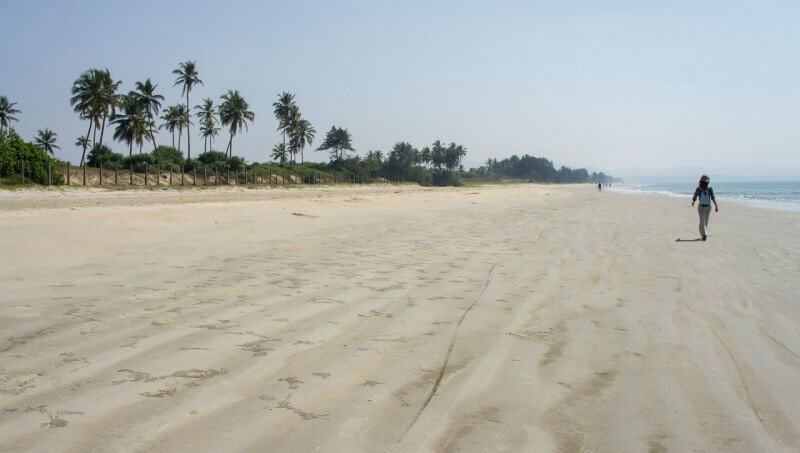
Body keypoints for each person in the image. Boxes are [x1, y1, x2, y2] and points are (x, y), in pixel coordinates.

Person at [691, 174, 719, 241]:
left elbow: (695, 196)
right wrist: (716, 206)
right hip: (708, 207)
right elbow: (712, 198)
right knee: (706, 221)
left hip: (701, 206)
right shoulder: (710, 189)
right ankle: (704, 234)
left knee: (701, 221)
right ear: (708, 182)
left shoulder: (698, 189)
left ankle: (704, 234)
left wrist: (693, 202)